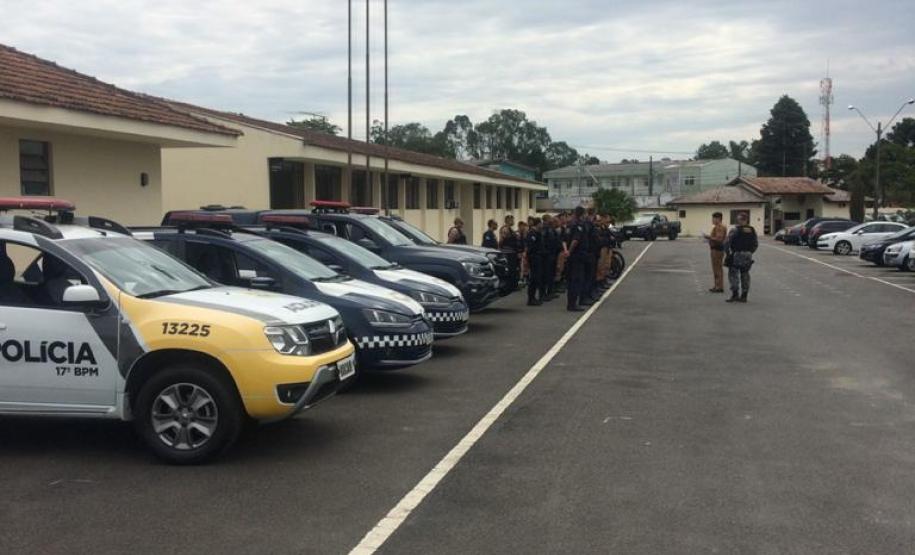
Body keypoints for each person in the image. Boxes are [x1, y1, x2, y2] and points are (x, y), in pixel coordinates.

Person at [725, 212, 758, 303]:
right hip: (747, 255)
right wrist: (750, 252)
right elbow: (755, 244)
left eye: (738, 219)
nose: (738, 221)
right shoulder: (752, 230)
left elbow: (727, 242)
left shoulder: (735, 230)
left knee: (733, 273)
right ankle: (744, 296)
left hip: (737, 254)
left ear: (740, 220)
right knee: (745, 274)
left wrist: (728, 254)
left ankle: (735, 294)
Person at [566, 207, 588, 311]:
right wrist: (569, 251)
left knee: (571, 280)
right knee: (576, 280)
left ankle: (571, 303)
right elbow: (575, 240)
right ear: (582, 214)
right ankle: (572, 304)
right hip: (577, 256)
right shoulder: (579, 225)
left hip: (573, 256)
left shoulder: (570, 224)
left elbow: (565, 240)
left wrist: (567, 252)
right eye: (585, 214)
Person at [704, 212, 727, 293]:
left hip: (717, 249)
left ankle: (719, 286)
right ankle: (717, 285)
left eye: (714, 218)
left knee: (717, 268)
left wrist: (708, 237)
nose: (712, 220)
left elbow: (719, 239)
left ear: (718, 219)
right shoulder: (717, 227)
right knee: (717, 268)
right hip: (717, 249)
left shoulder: (720, 227)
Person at [525, 217, 544, 306]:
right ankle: (531, 298)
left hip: (538, 257)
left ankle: (533, 297)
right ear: (538, 224)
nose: (542, 225)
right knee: (533, 278)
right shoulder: (532, 233)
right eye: (541, 223)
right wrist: (529, 258)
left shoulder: (538, 233)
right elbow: (530, 247)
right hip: (534, 258)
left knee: (537, 278)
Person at [499, 215, 521, 290]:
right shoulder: (505, 229)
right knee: (510, 270)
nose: (513, 221)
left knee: (513, 270)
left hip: (512, 252)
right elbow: (501, 241)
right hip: (508, 253)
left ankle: (513, 285)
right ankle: (509, 286)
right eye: (512, 220)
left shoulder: (510, 229)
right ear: (508, 220)